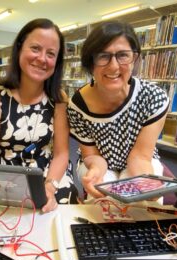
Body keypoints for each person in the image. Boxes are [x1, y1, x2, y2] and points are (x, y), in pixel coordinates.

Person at [0, 18, 78, 212]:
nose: (43, 59)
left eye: (51, 54)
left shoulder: (58, 98)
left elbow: (61, 154)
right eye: (35, 48)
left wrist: (50, 187)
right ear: (19, 49)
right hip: (6, 174)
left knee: (62, 210)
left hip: (49, 173)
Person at [67, 20, 169, 200]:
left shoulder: (154, 97)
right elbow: (92, 156)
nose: (113, 66)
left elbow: (141, 157)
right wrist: (96, 171)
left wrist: (148, 187)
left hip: (139, 160)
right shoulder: (78, 104)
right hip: (99, 161)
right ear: (90, 62)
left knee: (144, 205)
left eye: (123, 55)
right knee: (104, 203)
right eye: (102, 56)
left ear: (135, 58)